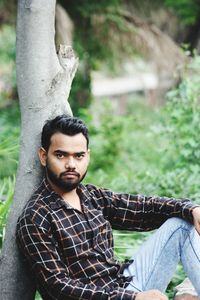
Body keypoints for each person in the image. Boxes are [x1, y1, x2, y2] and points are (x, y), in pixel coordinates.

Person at [16, 115, 200, 300]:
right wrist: (131, 298)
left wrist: (192, 209)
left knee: (182, 223)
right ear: (43, 156)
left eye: (78, 156)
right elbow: (58, 288)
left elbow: (144, 208)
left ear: (87, 156)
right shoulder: (36, 217)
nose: (71, 164)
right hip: (109, 298)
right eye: (61, 155)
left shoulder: (92, 196)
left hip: (124, 285)